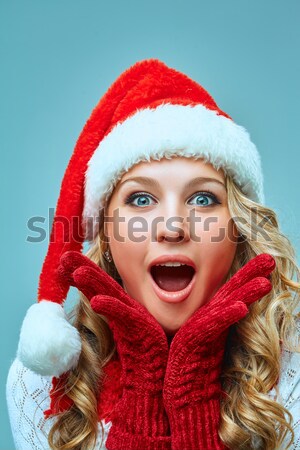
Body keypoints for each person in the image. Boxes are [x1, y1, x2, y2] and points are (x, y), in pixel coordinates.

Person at [6, 59, 300, 450]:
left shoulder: (292, 368)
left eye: (203, 198)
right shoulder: (42, 385)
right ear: (107, 235)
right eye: (141, 198)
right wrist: (144, 387)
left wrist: (194, 393)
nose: (172, 227)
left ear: (239, 229)